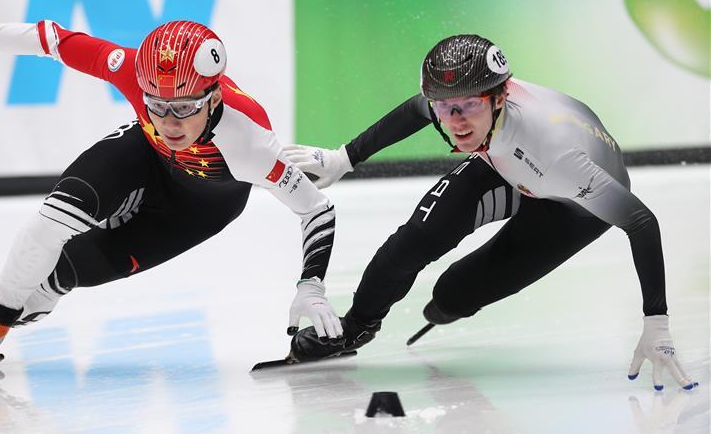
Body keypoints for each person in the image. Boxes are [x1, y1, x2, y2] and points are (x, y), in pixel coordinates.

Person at [0, 19, 343, 363]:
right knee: (51, 221)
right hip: (144, 155)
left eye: (184, 108)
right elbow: (51, 39)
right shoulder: (132, 70)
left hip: (200, 207)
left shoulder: (249, 141)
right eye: (157, 105)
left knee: (74, 270)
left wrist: (312, 284)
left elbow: (316, 209)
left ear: (213, 98)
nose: (169, 122)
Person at [284, 34, 696, 390]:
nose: (456, 121)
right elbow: (415, 110)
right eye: (444, 109)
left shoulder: (556, 152)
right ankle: (356, 327)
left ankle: (447, 307)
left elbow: (641, 221)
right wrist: (344, 158)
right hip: (503, 165)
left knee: (453, 294)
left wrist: (655, 321)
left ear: (501, 97)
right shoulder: (466, 98)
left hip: (572, 208)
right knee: (413, 241)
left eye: (467, 107)